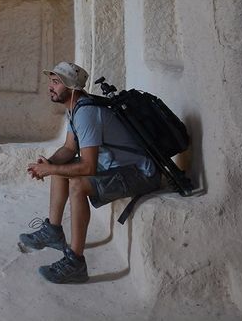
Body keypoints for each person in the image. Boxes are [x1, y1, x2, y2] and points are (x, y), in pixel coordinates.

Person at [19, 61, 165, 284]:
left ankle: (75, 263)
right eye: (51, 80)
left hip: (141, 173)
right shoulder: (75, 109)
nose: (50, 86)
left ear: (72, 87)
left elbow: (88, 167)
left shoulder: (86, 113)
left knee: (78, 185)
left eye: (56, 82)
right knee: (60, 170)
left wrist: (50, 168)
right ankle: (53, 232)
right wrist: (48, 164)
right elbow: (69, 149)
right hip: (114, 167)